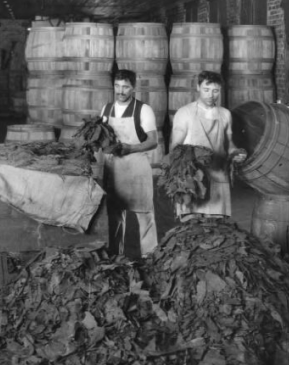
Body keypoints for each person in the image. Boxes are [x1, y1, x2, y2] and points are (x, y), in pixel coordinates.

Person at [169, 70, 246, 217]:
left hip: (218, 175)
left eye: (215, 91)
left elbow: (229, 145)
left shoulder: (225, 114)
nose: (211, 95)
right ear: (198, 87)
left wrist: (236, 153)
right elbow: (175, 148)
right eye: (206, 90)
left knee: (218, 229)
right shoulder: (185, 113)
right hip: (194, 179)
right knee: (192, 227)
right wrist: (184, 179)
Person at [100, 69, 159, 257]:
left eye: (125, 87)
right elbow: (102, 137)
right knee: (115, 216)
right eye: (117, 86)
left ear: (133, 88)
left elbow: (153, 141)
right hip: (114, 169)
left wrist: (131, 148)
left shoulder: (143, 110)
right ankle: (116, 257)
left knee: (145, 215)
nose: (120, 91)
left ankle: (150, 258)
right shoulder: (106, 110)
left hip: (137, 168)